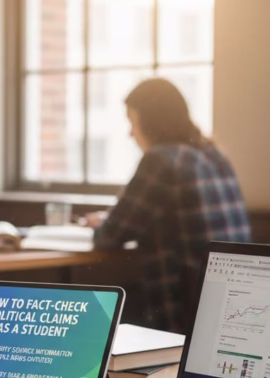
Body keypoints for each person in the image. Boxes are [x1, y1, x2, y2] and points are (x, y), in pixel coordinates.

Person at [85, 78, 251, 333]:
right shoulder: (215, 155)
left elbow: (110, 236)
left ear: (149, 122)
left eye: (132, 122)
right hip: (229, 307)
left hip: (181, 311)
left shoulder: (161, 160)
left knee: (97, 318)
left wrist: (99, 224)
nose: (130, 133)